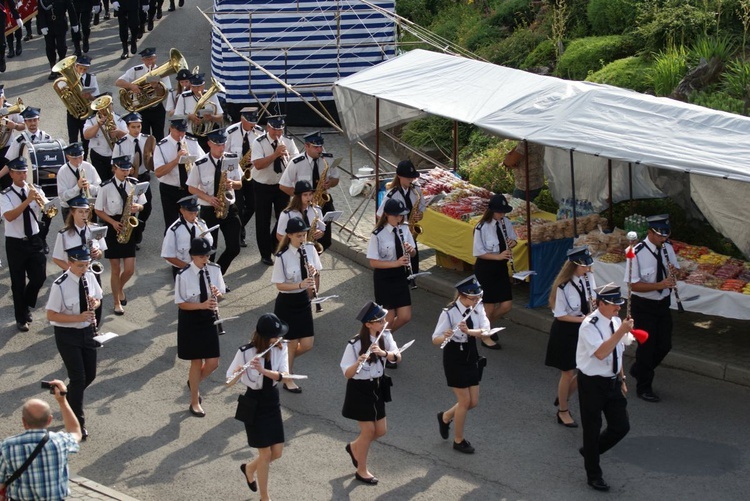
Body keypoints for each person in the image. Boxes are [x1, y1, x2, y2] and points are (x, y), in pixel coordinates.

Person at [227, 313, 289, 501]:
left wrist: (263, 371)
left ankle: (249, 468)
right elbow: (228, 382)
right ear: (264, 336)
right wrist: (239, 373)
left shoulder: (281, 348)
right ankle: (265, 497)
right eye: (275, 335)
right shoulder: (245, 351)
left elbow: (284, 375)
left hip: (271, 400)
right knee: (265, 454)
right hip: (253, 402)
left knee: (276, 452)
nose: (279, 338)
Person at [576, 284, 632, 492]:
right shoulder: (589, 325)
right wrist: (621, 332)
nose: (618, 309)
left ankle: (591, 452)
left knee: (621, 426)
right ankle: (594, 474)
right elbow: (601, 353)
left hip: (612, 381)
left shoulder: (616, 321)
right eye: (614, 305)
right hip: (592, 383)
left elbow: (618, 353)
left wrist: (622, 377)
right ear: (600, 304)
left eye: (620, 305)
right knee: (592, 429)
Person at [340, 300, 401, 485]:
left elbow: (398, 357)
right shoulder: (354, 344)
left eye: (383, 320)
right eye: (380, 321)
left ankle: (354, 447)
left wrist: (384, 353)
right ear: (368, 324)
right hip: (360, 389)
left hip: (378, 386)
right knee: (368, 431)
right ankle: (362, 469)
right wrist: (358, 362)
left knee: (381, 431)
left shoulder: (386, 336)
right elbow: (347, 374)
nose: (384, 323)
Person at [46, 245, 102, 440]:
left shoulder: (89, 276)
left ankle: (67, 399)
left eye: (86, 264)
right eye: (80, 265)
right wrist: (77, 318)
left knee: (91, 374)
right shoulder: (59, 285)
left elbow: (99, 299)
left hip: (87, 332)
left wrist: (94, 303)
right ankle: (78, 422)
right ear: (70, 263)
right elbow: (51, 315)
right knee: (78, 378)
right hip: (67, 335)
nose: (84, 269)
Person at [623, 214, 678, 403]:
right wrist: (660, 285)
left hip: (662, 303)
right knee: (647, 348)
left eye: (665, 235)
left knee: (665, 345)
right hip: (643, 305)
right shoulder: (635, 252)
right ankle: (644, 387)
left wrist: (673, 274)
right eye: (660, 235)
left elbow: (674, 269)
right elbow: (633, 285)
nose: (663, 239)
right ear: (650, 232)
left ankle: (639, 370)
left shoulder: (667, 248)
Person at [432, 275, 489, 454]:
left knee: (473, 402)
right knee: (464, 401)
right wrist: (446, 336)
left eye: (478, 297)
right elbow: (435, 339)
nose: (476, 300)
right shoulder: (449, 312)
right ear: (461, 296)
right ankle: (459, 440)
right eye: (472, 298)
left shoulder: (478, 308)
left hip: (471, 353)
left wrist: (469, 331)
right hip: (454, 355)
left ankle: (446, 416)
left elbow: (485, 329)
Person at [0, 380, 82, 501]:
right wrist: (62, 400)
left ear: (23, 422)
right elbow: (75, 431)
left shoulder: (7, 446)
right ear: (49, 420)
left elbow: (1, 482)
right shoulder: (60, 441)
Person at [544, 246, 596, 428]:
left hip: (585, 329)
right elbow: (560, 314)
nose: (588, 269)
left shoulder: (589, 278)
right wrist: (583, 319)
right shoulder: (563, 287)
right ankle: (563, 411)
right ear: (573, 266)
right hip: (566, 331)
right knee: (568, 372)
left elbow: (592, 299)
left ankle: (563, 396)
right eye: (584, 266)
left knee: (585, 369)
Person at [175, 237, 226, 417]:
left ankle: (193, 382)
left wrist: (218, 295)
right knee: (196, 361)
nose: (206, 260)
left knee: (213, 362)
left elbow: (220, 293)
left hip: (209, 317)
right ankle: (194, 400)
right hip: (191, 319)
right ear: (193, 257)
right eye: (202, 256)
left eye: (208, 256)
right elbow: (181, 303)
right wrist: (202, 305)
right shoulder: (183, 275)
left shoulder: (214, 270)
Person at [271, 216, 321, 393]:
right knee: (291, 343)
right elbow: (279, 285)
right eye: (299, 236)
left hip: (303, 301)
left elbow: (316, 274)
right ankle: (287, 377)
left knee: (307, 344)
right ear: (290, 236)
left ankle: (280, 362)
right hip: (287, 302)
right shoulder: (282, 257)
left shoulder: (310, 249)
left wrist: (313, 279)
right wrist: (299, 284)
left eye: (304, 235)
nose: (302, 239)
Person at [0, 157, 48, 332]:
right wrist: (27, 201)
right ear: (11, 174)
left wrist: (42, 204)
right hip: (15, 243)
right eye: (18, 172)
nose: (22, 175)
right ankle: (21, 317)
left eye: (24, 171)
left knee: (39, 277)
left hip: (34, 239)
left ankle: (25, 303)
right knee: (17, 282)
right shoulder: (5, 195)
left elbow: (47, 210)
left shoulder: (35, 190)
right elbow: (9, 216)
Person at [366, 198, 415, 367]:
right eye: (396, 216)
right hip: (384, 278)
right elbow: (373, 262)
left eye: (401, 216)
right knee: (388, 317)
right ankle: (385, 351)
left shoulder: (404, 229)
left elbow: (414, 253)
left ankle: (379, 341)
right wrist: (396, 263)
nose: (399, 219)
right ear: (387, 215)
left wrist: (411, 250)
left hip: (400, 276)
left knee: (405, 316)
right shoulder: (377, 234)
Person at [94, 155, 146, 315]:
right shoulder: (106, 187)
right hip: (113, 226)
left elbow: (143, 205)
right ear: (114, 169)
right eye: (122, 169)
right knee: (115, 268)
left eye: (127, 169)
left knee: (129, 269)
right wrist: (112, 223)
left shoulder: (134, 185)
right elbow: (98, 210)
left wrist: (138, 207)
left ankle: (119, 288)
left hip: (128, 226)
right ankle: (116, 301)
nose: (125, 172)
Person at [186, 128, 242, 274]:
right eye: (218, 145)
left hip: (229, 208)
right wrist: (209, 198)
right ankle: (210, 280)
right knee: (211, 249)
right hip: (209, 210)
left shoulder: (231, 158)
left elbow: (240, 183)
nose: (222, 148)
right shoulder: (200, 163)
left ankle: (217, 274)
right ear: (209, 144)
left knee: (234, 248)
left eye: (223, 144)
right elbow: (191, 188)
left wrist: (232, 184)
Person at [279, 130, 339, 251]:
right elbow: (283, 186)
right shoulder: (296, 162)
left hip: (322, 201)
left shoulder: (327, 159)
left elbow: (336, 179)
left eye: (321, 146)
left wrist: (330, 182)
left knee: (325, 240)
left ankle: (313, 255)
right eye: (316, 147)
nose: (320, 150)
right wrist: (301, 197)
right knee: (300, 234)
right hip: (303, 205)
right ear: (306, 146)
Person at [52, 195, 106, 328]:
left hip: (91, 273)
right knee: (77, 305)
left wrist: (97, 253)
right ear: (72, 212)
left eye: (86, 211)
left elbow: (101, 253)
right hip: (73, 276)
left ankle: (94, 329)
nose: (84, 215)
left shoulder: (95, 229)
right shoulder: (64, 234)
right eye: (80, 211)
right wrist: (74, 272)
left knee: (95, 302)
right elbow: (57, 258)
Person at [250, 114, 298, 266]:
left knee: (283, 218)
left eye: (280, 131)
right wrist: (275, 154)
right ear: (268, 128)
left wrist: (289, 158)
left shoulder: (288, 141)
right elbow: (258, 164)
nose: (278, 134)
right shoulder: (258, 142)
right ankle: (265, 254)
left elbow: (295, 161)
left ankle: (274, 245)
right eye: (275, 130)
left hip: (281, 186)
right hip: (262, 185)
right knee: (262, 221)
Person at [472, 194, 517, 349]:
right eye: (499, 212)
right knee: (489, 306)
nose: (502, 215)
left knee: (506, 305)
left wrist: (513, 242)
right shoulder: (481, 227)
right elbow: (478, 252)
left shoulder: (506, 222)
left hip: (500, 268)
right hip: (486, 268)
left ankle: (486, 327)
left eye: (503, 212)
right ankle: (485, 337)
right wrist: (498, 257)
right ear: (491, 210)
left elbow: (513, 238)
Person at [276, 180, 325, 311]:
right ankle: (298, 297)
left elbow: (321, 228)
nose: (309, 198)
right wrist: (293, 244)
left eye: (310, 194)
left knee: (315, 273)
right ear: (298, 196)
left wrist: (320, 233)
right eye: (305, 195)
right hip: (293, 249)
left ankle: (311, 298)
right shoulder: (287, 214)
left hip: (310, 247)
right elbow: (280, 235)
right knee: (296, 274)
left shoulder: (316, 210)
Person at [376, 159, 424, 288]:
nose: (411, 180)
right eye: (408, 177)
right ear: (400, 176)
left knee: (413, 257)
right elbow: (380, 214)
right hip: (397, 229)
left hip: (410, 231)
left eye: (413, 177)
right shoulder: (392, 194)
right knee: (399, 257)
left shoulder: (416, 190)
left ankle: (411, 280)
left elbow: (421, 210)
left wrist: (419, 215)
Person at [154, 115, 204, 228]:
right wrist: (176, 160)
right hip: (170, 189)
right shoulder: (161, 146)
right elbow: (158, 172)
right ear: (171, 128)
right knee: (171, 224)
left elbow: (202, 163)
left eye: (183, 131)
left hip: (188, 188)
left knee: (192, 222)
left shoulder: (192, 142)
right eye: (178, 131)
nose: (181, 135)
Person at [113, 111, 154, 246]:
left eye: (139, 126)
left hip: (143, 177)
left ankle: (139, 229)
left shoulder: (147, 139)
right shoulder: (120, 144)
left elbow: (153, 159)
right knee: (128, 208)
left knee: (146, 207)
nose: (137, 130)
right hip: (128, 179)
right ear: (128, 127)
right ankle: (129, 234)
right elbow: (113, 164)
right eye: (133, 127)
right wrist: (125, 169)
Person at [224, 106, 262, 247]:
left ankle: (239, 227)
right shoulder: (230, 132)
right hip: (235, 174)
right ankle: (239, 235)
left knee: (252, 206)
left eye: (254, 121)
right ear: (242, 119)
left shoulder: (259, 132)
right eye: (250, 121)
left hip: (251, 173)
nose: (253, 125)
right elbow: (224, 153)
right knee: (238, 207)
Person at [115, 47, 170, 139]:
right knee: (142, 138)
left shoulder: (162, 71)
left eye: (152, 59)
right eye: (147, 59)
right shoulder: (136, 70)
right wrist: (131, 86)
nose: (150, 61)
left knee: (159, 136)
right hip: (141, 109)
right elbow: (118, 82)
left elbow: (165, 93)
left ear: (155, 58)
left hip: (156, 109)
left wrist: (156, 87)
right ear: (143, 60)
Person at [161, 195, 213, 277]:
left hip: (200, 266)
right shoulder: (174, 230)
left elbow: (210, 242)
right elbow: (168, 255)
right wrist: (189, 267)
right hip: (182, 269)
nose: (193, 216)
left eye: (195, 212)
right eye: (190, 213)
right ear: (182, 211)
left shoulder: (201, 224)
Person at [83, 94, 128, 182]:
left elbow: (129, 136)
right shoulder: (91, 120)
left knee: (116, 182)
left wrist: (118, 132)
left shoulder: (119, 119)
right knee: (101, 182)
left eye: (109, 105)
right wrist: (98, 125)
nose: (106, 109)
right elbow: (86, 135)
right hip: (98, 156)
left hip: (115, 156)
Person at [172, 72, 223, 150]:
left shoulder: (211, 95)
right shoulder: (184, 96)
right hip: (190, 134)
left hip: (208, 134)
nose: (197, 90)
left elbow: (220, 116)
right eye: (194, 87)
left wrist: (211, 117)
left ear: (203, 85)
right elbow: (176, 117)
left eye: (199, 87)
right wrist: (189, 116)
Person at [56, 142, 101, 221]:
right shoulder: (62, 171)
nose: (78, 161)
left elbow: (99, 189)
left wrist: (89, 186)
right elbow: (62, 196)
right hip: (70, 209)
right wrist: (77, 187)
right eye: (74, 158)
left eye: (81, 157)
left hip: (88, 207)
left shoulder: (89, 167)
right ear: (68, 157)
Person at [65, 56, 99, 158]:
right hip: (73, 112)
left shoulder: (91, 78)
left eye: (85, 69)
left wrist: (90, 97)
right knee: (72, 138)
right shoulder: (67, 79)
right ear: (76, 66)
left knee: (85, 139)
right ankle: (72, 158)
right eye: (80, 68)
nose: (82, 71)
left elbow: (96, 98)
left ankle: (83, 159)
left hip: (86, 112)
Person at [37, 0, 78, 80]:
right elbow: (40, 12)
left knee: (62, 47)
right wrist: (42, 25)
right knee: (50, 47)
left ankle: (61, 65)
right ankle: (53, 69)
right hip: (48, 26)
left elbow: (71, 9)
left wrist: (74, 23)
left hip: (61, 24)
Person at [2, 0, 23, 65]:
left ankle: (18, 43)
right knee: (7, 26)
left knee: (17, 25)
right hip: (4, 6)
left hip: (15, 4)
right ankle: (11, 48)